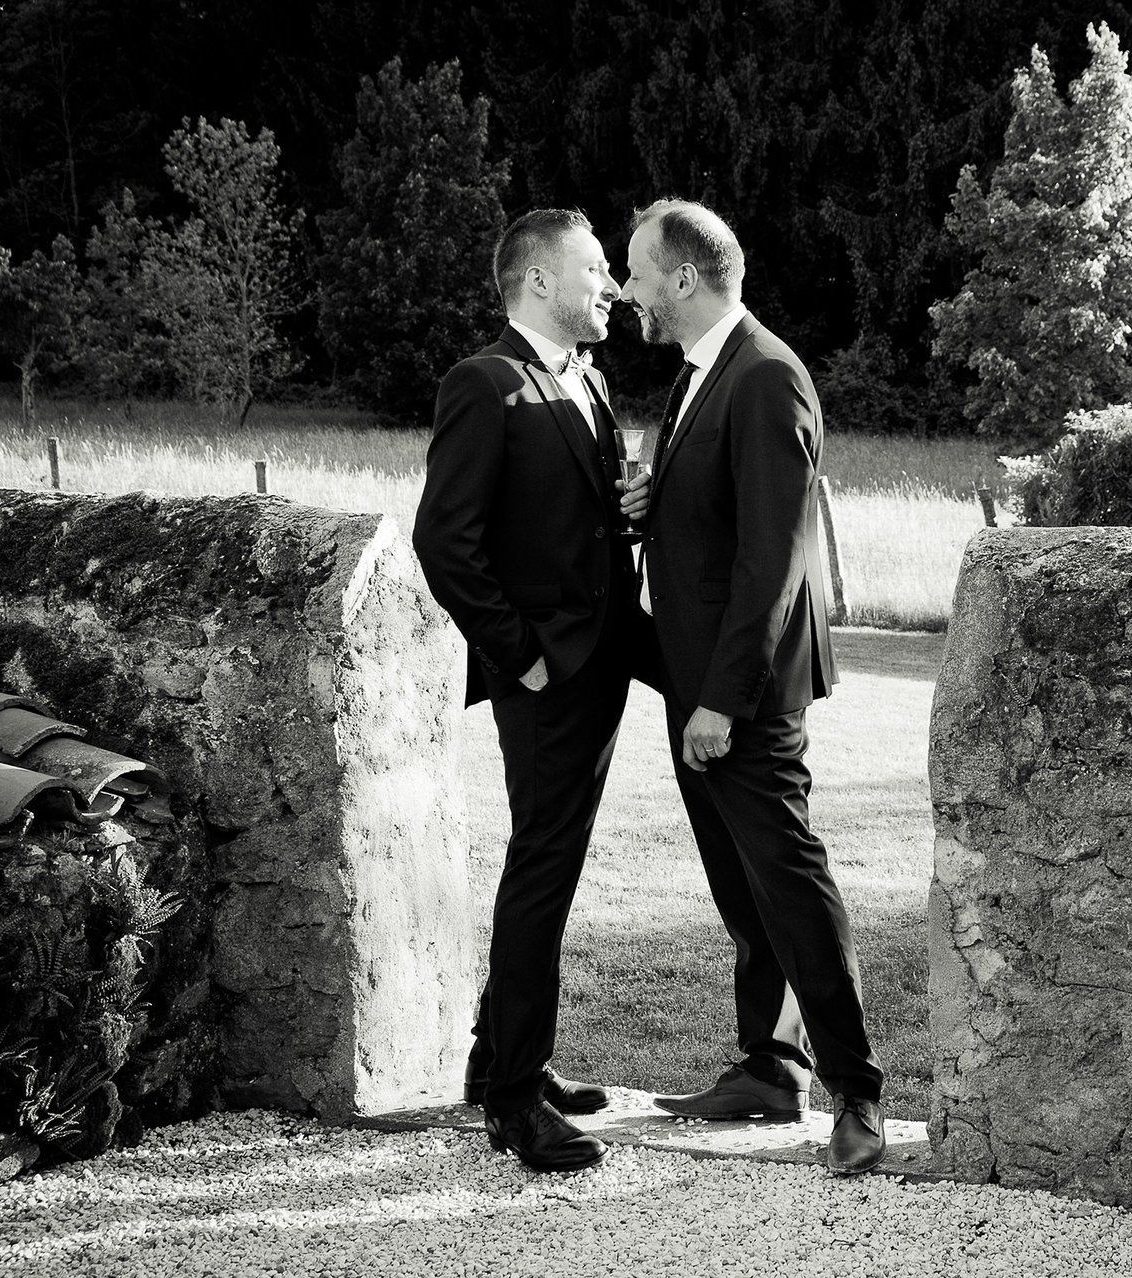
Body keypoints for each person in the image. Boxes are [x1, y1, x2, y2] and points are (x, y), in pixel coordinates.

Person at [620, 199, 886, 1175]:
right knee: (744, 889)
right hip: (696, 681)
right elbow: (720, 518)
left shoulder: (767, 376)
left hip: (745, 693)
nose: (628, 289)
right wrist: (651, 508)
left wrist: (723, 702)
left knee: (787, 882)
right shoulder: (704, 374)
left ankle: (855, 1091)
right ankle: (770, 1068)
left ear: (682, 280)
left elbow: (776, 558)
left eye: (639, 272)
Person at [412, 207, 652, 1173]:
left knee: (548, 858)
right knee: (542, 868)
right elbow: (446, 541)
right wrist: (522, 657)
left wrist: (624, 511)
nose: (611, 286)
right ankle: (515, 1098)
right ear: (540, 281)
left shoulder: (588, 380)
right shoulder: (484, 383)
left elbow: (568, 523)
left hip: (600, 662)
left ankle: (494, 1056)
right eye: (596, 269)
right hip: (547, 676)